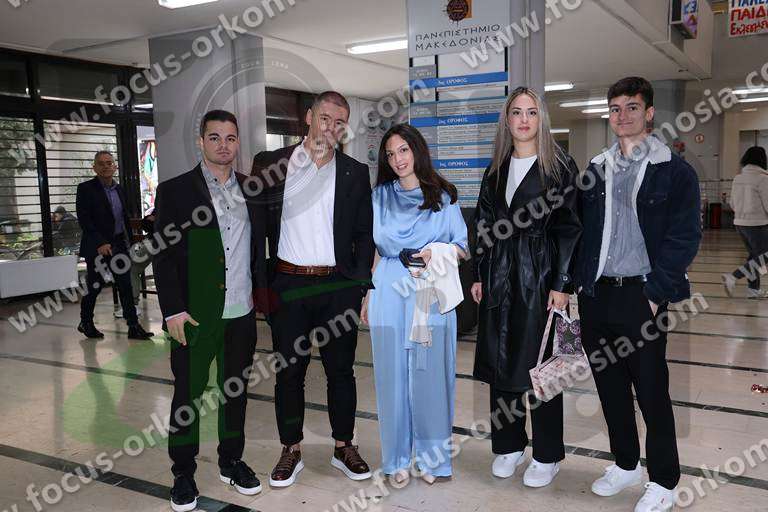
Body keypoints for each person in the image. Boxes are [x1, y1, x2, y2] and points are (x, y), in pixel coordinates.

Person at [574, 77, 701, 512]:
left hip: (641, 297)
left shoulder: (674, 170)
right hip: (597, 296)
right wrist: (576, 285)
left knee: (651, 391)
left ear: (648, 113)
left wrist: (655, 293)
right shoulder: (596, 168)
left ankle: (663, 480)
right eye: (615, 108)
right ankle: (626, 464)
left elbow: (684, 237)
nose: (622, 115)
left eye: (631, 107)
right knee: (610, 388)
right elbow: (582, 232)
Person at [251, 91, 374, 488]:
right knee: (289, 372)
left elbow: (364, 233)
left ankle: (344, 446)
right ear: (308, 117)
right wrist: (260, 286)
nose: (331, 127)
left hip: (338, 286)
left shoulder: (355, 172)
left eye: (340, 122)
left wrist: (358, 286)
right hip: (288, 284)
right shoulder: (271, 165)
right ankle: (291, 449)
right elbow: (256, 229)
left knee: (342, 371)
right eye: (325, 118)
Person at [154, 110, 268, 512]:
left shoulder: (252, 189)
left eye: (231, 138)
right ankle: (183, 472)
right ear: (200, 141)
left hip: (241, 311)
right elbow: (163, 256)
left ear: (238, 143)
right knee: (188, 394)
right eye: (215, 137)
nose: (224, 145)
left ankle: (230, 461)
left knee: (235, 392)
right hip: (195, 316)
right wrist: (173, 310)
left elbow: (258, 248)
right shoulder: (176, 191)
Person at [470, 86, 581, 488]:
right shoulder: (496, 169)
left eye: (531, 112)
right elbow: (482, 224)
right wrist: (479, 273)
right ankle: (508, 445)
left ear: (541, 119)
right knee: (502, 362)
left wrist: (562, 282)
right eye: (516, 112)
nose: (523, 120)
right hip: (500, 273)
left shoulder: (560, 166)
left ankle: (547, 454)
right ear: (507, 119)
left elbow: (570, 227)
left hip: (540, 274)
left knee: (542, 368)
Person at [361, 123, 468, 483]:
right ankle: (396, 459)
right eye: (390, 154)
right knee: (391, 376)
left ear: (417, 150)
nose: (397, 159)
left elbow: (462, 246)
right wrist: (368, 294)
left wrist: (438, 251)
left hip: (430, 290)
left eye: (403, 150)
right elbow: (375, 250)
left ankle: (432, 460)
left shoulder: (444, 195)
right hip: (389, 288)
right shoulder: (379, 197)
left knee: (430, 375)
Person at [75, 151, 154, 340]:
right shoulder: (85, 189)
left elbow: (123, 218)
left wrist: (130, 242)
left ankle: (133, 326)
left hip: (119, 245)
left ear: (114, 167)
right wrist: (100, 242)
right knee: (94, 286)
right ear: (94, 167)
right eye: (101, 163)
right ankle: (85, 322)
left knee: (125, 285)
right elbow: (85, 220)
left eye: (109, 163)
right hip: (98, 247)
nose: (106, 166)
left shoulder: (119, 189)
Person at [723, 146, 768, 299]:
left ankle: (753, 289)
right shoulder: (763, 179)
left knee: (754, 256)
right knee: (763, 256)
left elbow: (732, 203)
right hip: (758, 224)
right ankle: (733, 276)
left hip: (740, 223)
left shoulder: (738, 178)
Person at [115, 208, 157, 318]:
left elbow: (149, 224)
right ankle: (132, 304)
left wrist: (152, 220)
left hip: (157, 241)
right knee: (132, 265)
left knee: (132, 268)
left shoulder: (164, 205)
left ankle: (132, 305)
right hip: (156, 241)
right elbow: (146, 224)